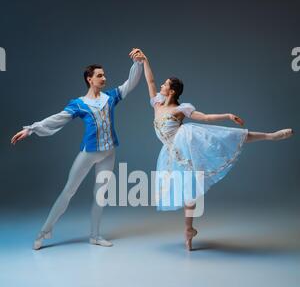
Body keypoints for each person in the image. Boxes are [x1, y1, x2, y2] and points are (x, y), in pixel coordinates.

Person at [130, 49, 294, 250]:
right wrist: (145, 60)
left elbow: (205, 117)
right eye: (163, 84)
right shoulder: (156, 104)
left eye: (165, 84)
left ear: (171, 91)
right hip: (173, 153)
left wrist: (227, 115)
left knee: (226, 137)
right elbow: (150, 82)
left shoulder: (180, 110)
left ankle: (270, 136)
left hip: (187, 141)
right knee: (188, 191)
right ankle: (189, 230)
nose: (161, 86)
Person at [11, 49, 144, 249]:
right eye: (100, 75)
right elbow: (57, 118)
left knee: (101, 194)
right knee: (68, 192)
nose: (104, 78)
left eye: (104, 75)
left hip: (109, 153)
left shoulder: (110, 97)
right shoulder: (79, 104)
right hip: (88, 153)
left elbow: (130, 84)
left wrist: (138, 63)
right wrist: (31, 129)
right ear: (89, 79)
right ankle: (43, 233)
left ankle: (95, 235)